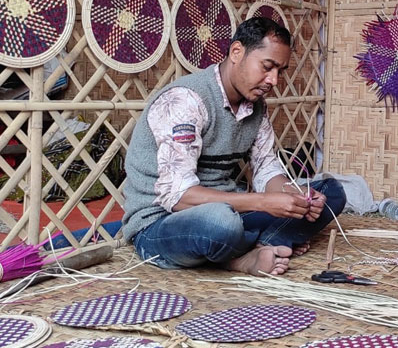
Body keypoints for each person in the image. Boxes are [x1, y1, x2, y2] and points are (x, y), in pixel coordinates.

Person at [121, 17, 346, 276]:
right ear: (237, 52)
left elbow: (266, 170)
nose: (273, 80)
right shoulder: (186, 101)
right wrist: (263, 203)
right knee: (220, 223)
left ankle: (254, 248)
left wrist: (296, 198)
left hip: (231, 212)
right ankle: (244, 255)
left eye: (280, 71)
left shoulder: (256, 107)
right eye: (267, 66)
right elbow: (179, 197)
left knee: (331, 192)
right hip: (164, 225)